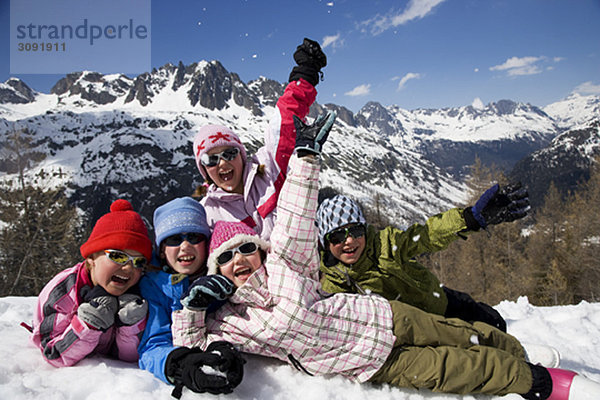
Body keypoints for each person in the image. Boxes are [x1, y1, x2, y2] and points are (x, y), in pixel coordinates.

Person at [171, 112, 600, 400]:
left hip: (388, 315)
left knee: (470, 332)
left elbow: (299, 214)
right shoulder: (227, 320)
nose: (241, 258)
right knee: (456, 367)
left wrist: (304, 159)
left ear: (263, 251)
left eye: (249, 247)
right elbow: (191, 343)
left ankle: (520, 351)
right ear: (217, 271)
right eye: (228, 257)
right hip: (375, 361)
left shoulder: (287, 265)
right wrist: (192, 305)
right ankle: (538, 382)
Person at [315, 186, 529, 332]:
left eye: (355, 231)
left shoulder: (386, 243)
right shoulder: (334, 287)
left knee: (494, 322)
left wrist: (470, 219)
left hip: (441, 301)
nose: (349, 241)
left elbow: (426, 236)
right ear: (326, 242)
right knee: (477, 341)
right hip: (423, 331)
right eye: (337, 236)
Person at [193, 38, 327, 239]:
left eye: (229, 153)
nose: (222, 163)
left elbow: (283, 128)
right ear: (203, 170)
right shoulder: (206, 213)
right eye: (211, 159)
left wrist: (305, 75)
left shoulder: (268, 171)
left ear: (241, 154)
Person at [138, 197, 244, 399]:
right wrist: (179, 365)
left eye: (194, 237)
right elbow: (152, 346)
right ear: (162, 250)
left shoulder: (225, 273)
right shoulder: (154, 287)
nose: (185, 246)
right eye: (174, 239)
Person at [31, 199, 151, 367]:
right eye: (117, 256)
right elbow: (52, 353)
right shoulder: (64, 291)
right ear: (92, 258)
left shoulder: (140, 293)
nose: (128, 268)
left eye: (138, 262)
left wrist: (129, 326)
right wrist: (88, 325)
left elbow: (132, 358)